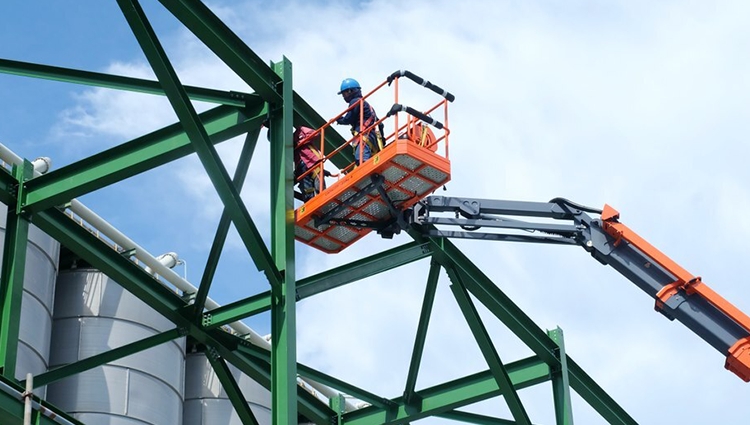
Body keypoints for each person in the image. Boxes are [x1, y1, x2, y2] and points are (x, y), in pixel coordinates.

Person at [335, 78, 384, 165]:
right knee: (366, 160)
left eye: (344, 93)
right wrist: (382, 140)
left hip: (364, 137)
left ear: (350, 91)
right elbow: (380, 124)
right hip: (372, 139)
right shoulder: (367, 106)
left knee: (361, 160)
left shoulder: (355, 102)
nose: (343, 96)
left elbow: (349, 118)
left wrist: (338, 119)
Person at [294, 126, 329, 202]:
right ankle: (311, 203)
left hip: (312, 161)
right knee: (307, 191)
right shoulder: (287, 144)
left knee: (319, 186)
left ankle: (323, 201)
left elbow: (314, 133)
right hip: (300, 167)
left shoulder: (300, 130)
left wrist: (300, 142)